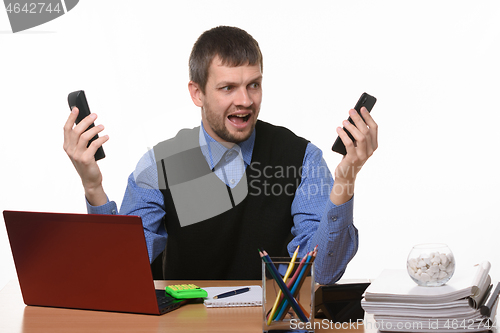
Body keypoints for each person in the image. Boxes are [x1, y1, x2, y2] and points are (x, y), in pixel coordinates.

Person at [63, 26, 378, 284]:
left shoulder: (303, 159)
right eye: (228, 88)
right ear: (197, 93)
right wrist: (93, 187)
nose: (245, 100)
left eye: (253, 85)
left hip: (271, 324)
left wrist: (345, 178)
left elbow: (322, 272)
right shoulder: (159, 167)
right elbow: (119, 270)